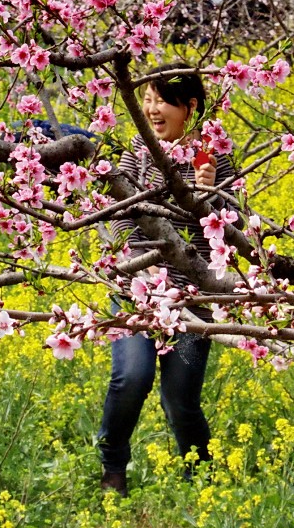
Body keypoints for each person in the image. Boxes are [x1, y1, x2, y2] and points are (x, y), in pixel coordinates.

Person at [97, 67, 239, 495]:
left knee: (181, 400)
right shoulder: (139, 148)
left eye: (161, 100)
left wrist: (208, 193)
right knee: (132, 378)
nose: (152, 109)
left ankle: (203, 477)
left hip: (191, 298)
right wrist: (138, 268)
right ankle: (113, 470)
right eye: (148, 100)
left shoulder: (217, 155)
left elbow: (230, 227)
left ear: (190, 106)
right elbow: (115, 212)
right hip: (138, 291)